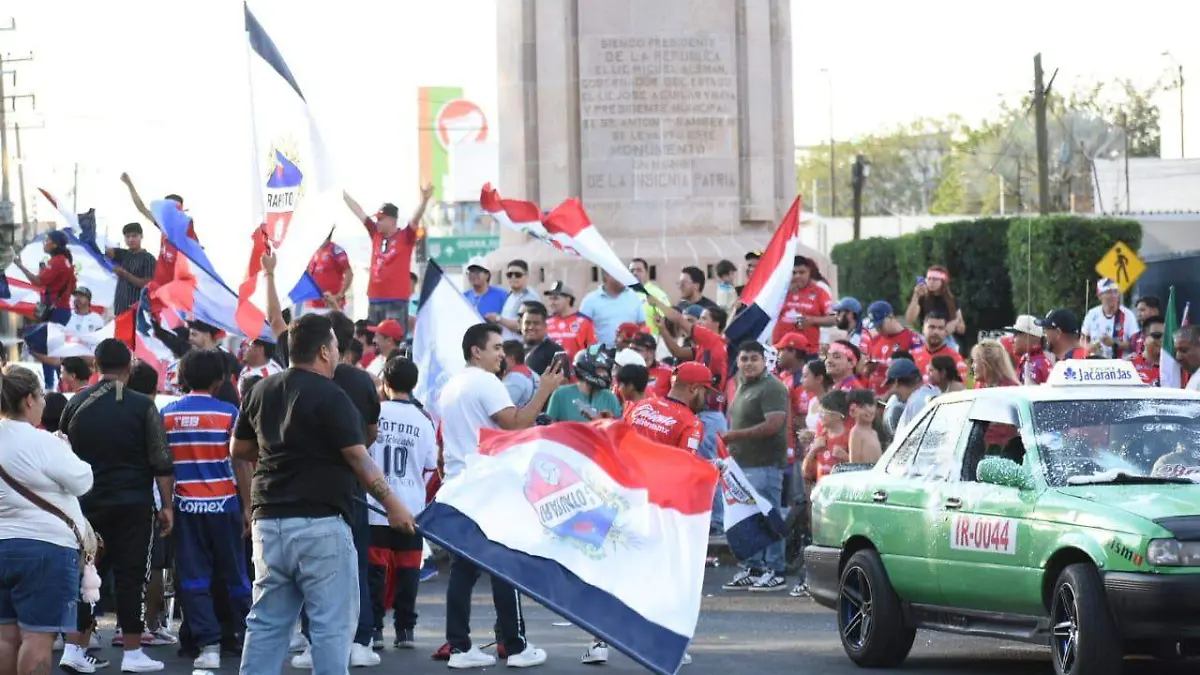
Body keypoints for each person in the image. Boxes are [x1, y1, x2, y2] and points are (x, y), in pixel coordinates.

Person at [233, 314, 415, 674]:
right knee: (331, 626)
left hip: (269, 524)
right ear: (322, 351)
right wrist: (394, 505)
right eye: (334, 345)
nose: (337, 351)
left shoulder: (261, 390)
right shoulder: (332, 395)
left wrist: (281, 453)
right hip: (320, 524)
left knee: (267, 623)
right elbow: (358, 457)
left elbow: (239, 449)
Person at [436, 323, 564, 668]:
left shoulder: (452, 384)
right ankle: (516, 645)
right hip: (486, 487)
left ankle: (460, 647)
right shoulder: (485, 382)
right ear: (476, 351)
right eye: (495, 348)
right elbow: (515, 423)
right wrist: (545, 391)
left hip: (461, 484)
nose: (501, 355)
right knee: (506, 564)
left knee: (464, 570)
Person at [59, 339, 174, 674]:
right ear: (129, 368)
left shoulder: (76, 403)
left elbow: (63, 451)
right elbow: (161, 461)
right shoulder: (143, 406)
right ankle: (134, 653)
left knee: (85, 576)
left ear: (95, 365)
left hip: (86, 505)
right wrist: (167, 506)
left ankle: (73, 649)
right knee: (132, 575)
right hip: (134, 503)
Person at [0, 366, 96, 675]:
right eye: (41, 396)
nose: (43, 403)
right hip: (45, 549)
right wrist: (66, 448)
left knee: (4, 639)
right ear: (29, 400)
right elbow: (83, 481)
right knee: (37, 641)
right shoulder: (45, 443)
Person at [161, 350, 253, 670]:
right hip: (226, 505)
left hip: (186, 509)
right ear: (218, 381)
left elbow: (165, 468)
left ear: (183, 379)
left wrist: (168, 507)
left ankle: (208, 645)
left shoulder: (168, 415)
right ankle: (250, 637)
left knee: (194, 579)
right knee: (237, 576)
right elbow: (241, 462)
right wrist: (248, 507)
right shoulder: (230, 413)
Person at [366, 357, 438, 650]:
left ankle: (374, 630)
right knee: (409, 571)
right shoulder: (424, 420)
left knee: (375, 572)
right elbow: (431, 466)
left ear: (385, 382)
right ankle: (405, 629)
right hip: (411, 506)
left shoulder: (375, 413)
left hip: (376, 504)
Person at [721, 341, 790, 593]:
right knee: (748, 518)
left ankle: (776, 569)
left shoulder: (772, 387)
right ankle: (755, 568)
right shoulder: (743, 386)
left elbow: (773, 425)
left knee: (769, 518)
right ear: (737, 362)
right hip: (741, 466)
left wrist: (733, 436)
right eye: (744, 359)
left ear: (764, 361)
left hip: (765, 465)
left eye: (754, 358)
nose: (748, 363)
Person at [343, 186, 433, 325]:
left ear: (392, 221)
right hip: (374, 298)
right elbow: (359, 212)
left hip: (396, 300)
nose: (377, 222)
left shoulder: (405, 236)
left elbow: (415, 220)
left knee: (393, 340)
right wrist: (342, 194)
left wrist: (425, 200)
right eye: (377, 218)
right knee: (374, 340)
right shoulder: (375, 234)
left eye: (381, 219)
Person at [545, 347, 622, 422]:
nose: (605, 375)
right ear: (586, 369)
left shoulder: (610, 397)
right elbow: (549, 428)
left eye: (606, 371)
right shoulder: (560, 394)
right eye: (600, 370)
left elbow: (617, 430)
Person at [864, 301, 923, 396]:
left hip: (898, 398)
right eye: (876, 326)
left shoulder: (912, 339)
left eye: (880, 325)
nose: (878, 329)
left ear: (890, 317)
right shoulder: (875, 339)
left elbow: (917, 372)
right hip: (875, 398)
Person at [579, 270, 646, 348]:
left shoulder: (634, 297)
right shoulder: (590, 301)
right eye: (619, 274)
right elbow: (581, 331)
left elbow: (642, 325)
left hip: (629, 354)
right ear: (606, 275)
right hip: (600, 356)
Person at [905, 266, 966, 345]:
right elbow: (910, 319)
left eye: (934, 279)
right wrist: (916, 296)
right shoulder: (923, 298)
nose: (931, 282)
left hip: (946, 342)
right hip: (927, 340)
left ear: (942, 281)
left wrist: (955, 323)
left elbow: (962, 329)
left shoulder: (951, 300)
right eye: (929, 278)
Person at [106, 222, 157, 315]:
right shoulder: (124, 254)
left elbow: (147, 285)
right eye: (127, 237)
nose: (131, 239)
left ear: (141, 236)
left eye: (134, 236)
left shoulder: (148, 258)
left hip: (137, 311)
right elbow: (105, 251)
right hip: (120, 309)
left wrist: (125, 274)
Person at [1081, 278, 1138, 359]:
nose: (1113, 296)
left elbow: (1135, 343)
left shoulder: (1128, 315)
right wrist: (1089, 347)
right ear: (1099, 296)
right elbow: (1083, 340)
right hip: (1095, 363)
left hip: (1121, 364)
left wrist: (1114, 344)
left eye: (1115, 292)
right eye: (1108, 292)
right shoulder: (1092, 314)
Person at [187, 321, 241, 403]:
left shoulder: (227, 359)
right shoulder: (189, 358)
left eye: (194, 334)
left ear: (207, 335)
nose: (190, 338)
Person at [488, 259, 540, 341]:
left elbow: (523, 325)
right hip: (507, 346)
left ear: (526, 276)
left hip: (522, 348)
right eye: (509, 275)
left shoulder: (530, 297)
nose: (513, 277)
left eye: (517, 275)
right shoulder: (510, 296)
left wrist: (498, 319)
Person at [543, 283, 598, 361]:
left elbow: (593, 348)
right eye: (550, 299)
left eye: (555, 298)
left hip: (576, 370)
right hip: (550, 370)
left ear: (568, 299)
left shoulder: (584, 321)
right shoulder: (546, 321)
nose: (552, 302)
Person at [304, 233, 353, 314]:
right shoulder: (312, 250)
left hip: (331, 305)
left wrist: (340, 294)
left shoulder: (335, 250)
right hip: (313, 304)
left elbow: (348, 272)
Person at [911, 312, 968, 382]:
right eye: (931, 327)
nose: (936, 332)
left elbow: (960, 389)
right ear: (923, 329)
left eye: (940, 328)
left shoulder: (955, 359)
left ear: (945, 332)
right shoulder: (912, 356)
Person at [886, 358, 939, 432]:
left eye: (890, 385)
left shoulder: (915, 402)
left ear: (896, 382)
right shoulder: (935, 391)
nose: (891, 391)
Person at [1004, 315, 1051, 385]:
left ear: (1028, 337)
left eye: (1016, 335)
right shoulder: (1031, 360)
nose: (1011, 340)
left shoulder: (1034, 365)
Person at [628, 258, 671, 335]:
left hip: (649, 342)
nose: (635, 273)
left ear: (646, 273)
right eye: (632, 271)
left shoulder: (657, 294)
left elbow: (667, 319)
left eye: (639, 270)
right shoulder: (623, 293)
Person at [519, 302, 563, 375]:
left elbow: (562, 381)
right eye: (527, 323)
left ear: (545, 326)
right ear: (521, 325)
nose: (531, 327)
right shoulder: (514, 349)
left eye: (536, 323)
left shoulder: (555, 351)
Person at [846, 389, 883, 464]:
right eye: (862, 407)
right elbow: (854, 463)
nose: (868, 410)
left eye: (871, 405)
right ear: (852, 411)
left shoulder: (874, 433)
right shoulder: (856, 432)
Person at [502, 340, 540, 408]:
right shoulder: (533, 374)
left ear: (511, 357)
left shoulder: (514, 378)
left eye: (502, 357)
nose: (499, 360)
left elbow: (502, 408)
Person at [1130, 315, 1165, 385]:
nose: (1163, 340)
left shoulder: (1177, 368)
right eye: (1157, 336)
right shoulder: (1129, 365)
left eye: (1166, 336)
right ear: (1144, 338)